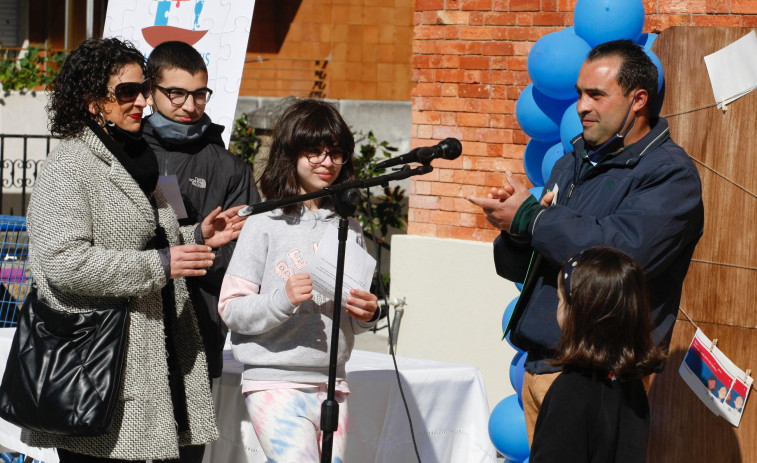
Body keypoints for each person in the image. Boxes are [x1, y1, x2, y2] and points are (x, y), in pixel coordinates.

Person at [467, 39, 704, 442]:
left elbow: (618, 256)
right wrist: (515, 231)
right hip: (541, 366)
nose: (581, 106)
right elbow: (521, 269)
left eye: (596, 94)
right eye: (579, 93)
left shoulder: (670, 175)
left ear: (638, 100)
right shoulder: (572, 160)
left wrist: (532, 219)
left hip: (599, 380)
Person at [24, 37, 244, 462]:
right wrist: (160, 264)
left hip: (161, 360)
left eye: (144, 88)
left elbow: (155, 238)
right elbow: (63, 262)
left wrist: (198, 235)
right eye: (128, 92)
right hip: (98, 369)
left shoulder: (138, 159)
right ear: (93, 102)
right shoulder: (67, 165)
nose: (143, 100)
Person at [218, 99, 380, 462]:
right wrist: (282, 299)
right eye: (315, 151)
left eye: (336, 153)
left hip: (333, 383)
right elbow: (231, 308)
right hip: (274, 380)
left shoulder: (349, 227)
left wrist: (367, 313)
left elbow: (354, 312)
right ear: (290, 153)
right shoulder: (264, 222)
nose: (327, 162)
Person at [143, 41, 260, 387]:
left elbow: (244, 257)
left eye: (199, 94)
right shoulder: (124, 151)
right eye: (176, 93)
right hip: (127, 325)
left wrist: (199, 253)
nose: (190, 105)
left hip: (197, 327)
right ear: (150, 90)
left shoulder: (230, 168)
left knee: (187, 440)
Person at [529, 246, 665, 463]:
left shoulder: (571, 389)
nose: (558, 308)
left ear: (580, 313)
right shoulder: (631, 385)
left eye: (561, 299)